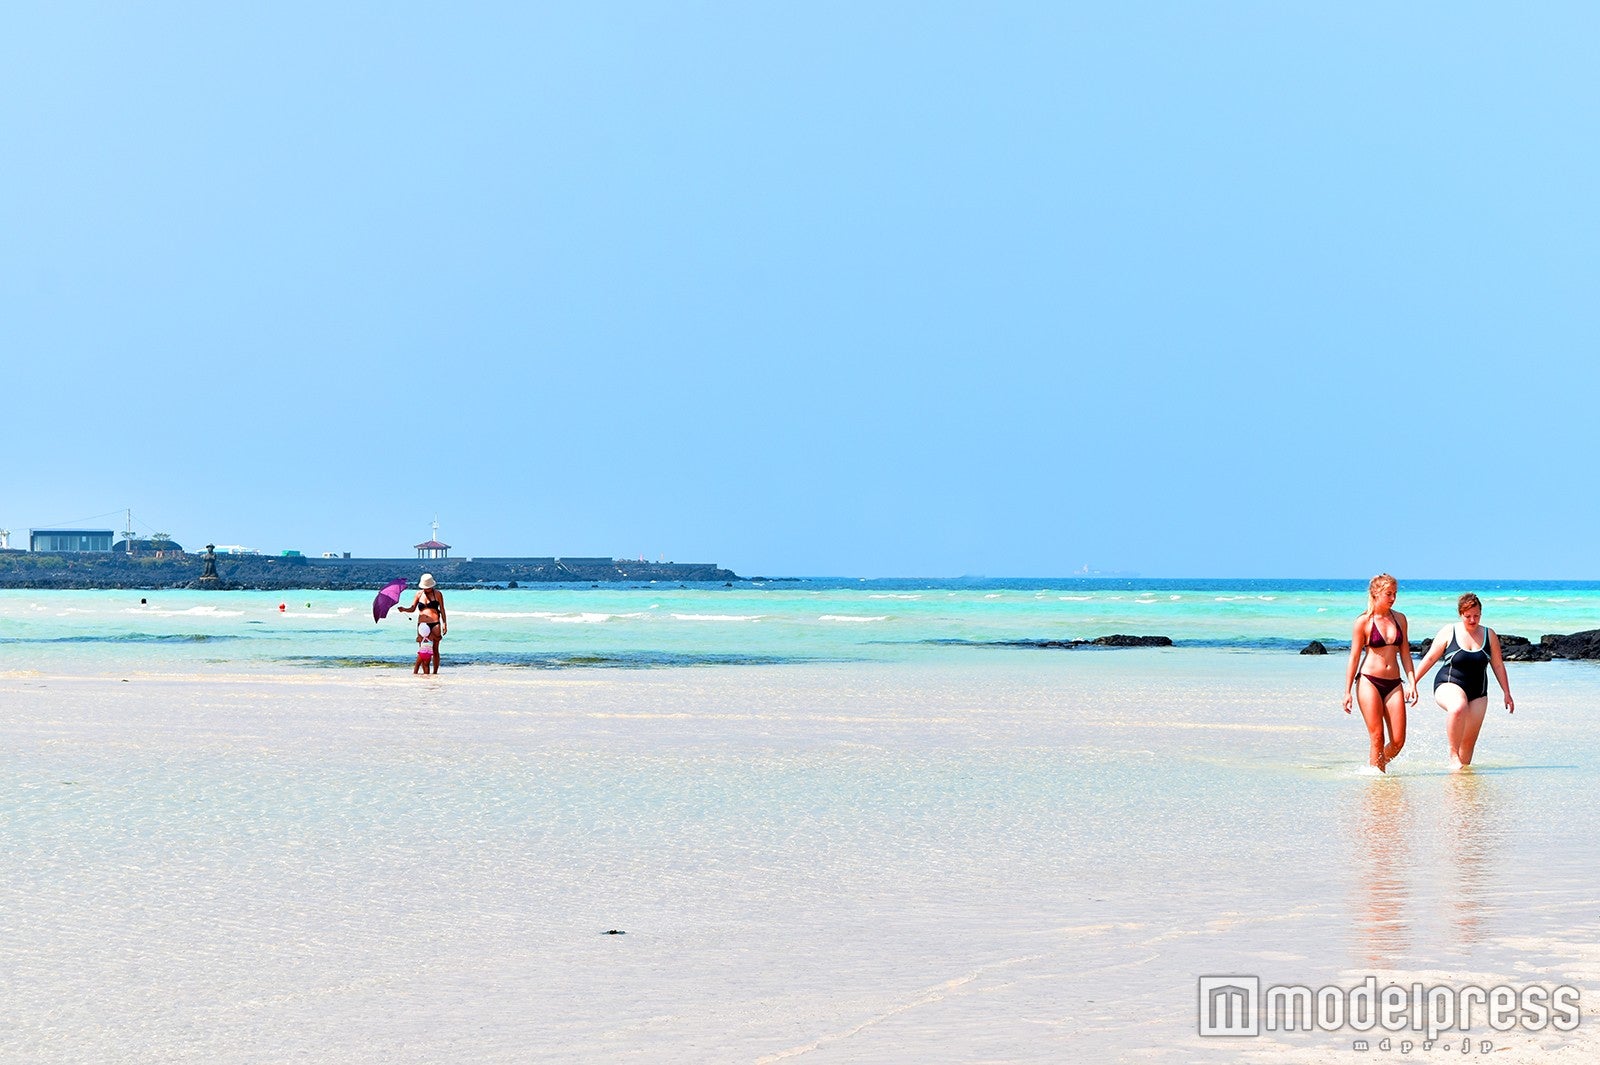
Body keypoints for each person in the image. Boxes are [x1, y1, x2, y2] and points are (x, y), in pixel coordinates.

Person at [1412, 592, 1514, 771]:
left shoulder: (1489, 635)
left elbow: (1498, 665)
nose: (1473, 620)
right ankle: (1452, 754)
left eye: (1476, 616)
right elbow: (1429, 659)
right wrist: (1413, 682)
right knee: (1458, 706)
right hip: (1448, 683)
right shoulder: (1449, 631)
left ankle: (1460, 789)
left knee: (1468, 744)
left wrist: (1507, 693)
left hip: (1478, 691)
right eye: (1468, 617)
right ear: (1460, 614)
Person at [1342, 573, 1418, 772]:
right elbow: (1354, 657)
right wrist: (1347, 691)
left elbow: (1406, 655)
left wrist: (1412, 683)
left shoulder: (1400, 619)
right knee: (1377, 737)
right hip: (1369, 681)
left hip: (1394, 683)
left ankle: (1375, 768)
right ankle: (1378, 786)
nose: (1393, 598)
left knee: (1398, 741)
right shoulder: (1363, 622)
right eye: (1388, 594)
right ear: (1375, 594)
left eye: (1395, 594)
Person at [398, 574, 447, 670]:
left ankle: (435, 674)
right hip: (422, 625)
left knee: (435, 650)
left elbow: (442, 609)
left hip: (435, 623)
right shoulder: (419, 594)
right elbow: (412, 608)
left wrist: (445, 623)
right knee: (424, 652)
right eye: (425, 587)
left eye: (428, 587)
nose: (426, 589)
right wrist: (404, 609)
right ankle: (426, 675)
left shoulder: (437, 594)